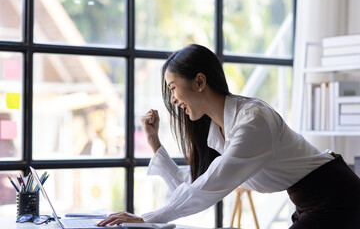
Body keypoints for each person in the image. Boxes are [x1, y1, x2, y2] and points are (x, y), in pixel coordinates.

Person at [98, 44, 360, 228]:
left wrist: (146, 218)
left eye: (173, 87)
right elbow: (187, 187)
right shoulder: (218, 132)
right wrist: (154, 141)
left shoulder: (252, 121)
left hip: (336, 195)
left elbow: (207, 189)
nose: (173, 99)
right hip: (311, 199)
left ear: (200, 82)